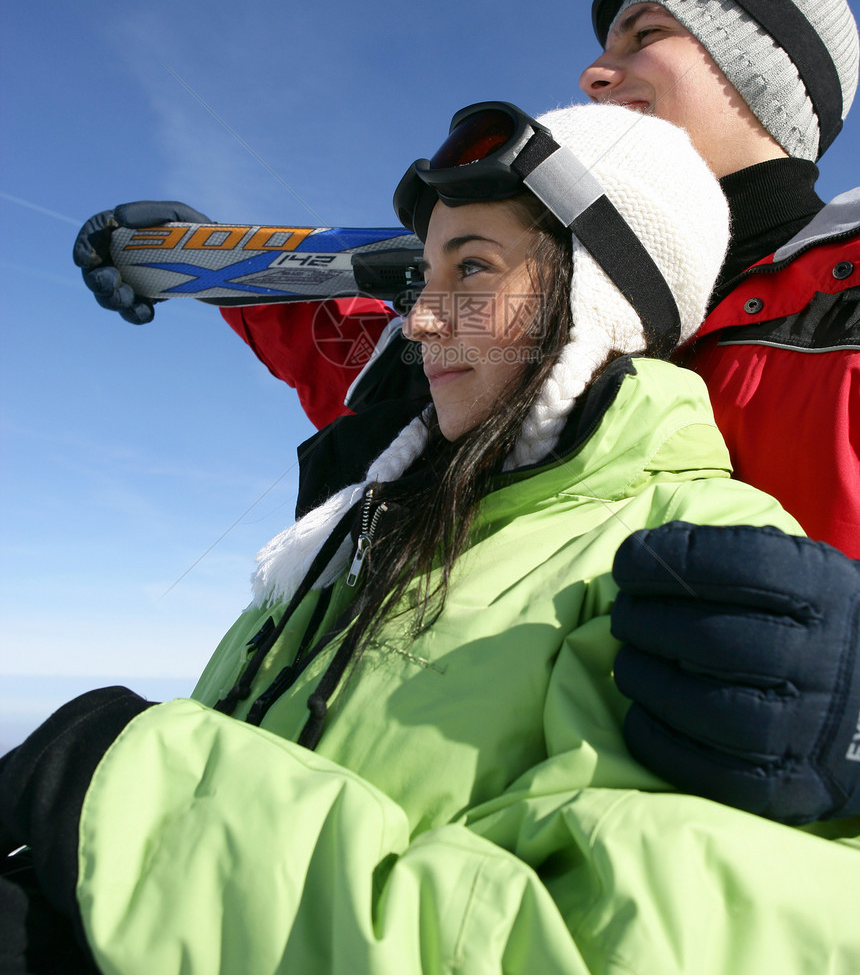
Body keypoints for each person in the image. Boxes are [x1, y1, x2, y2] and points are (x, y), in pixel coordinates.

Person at [7, 103, 859, 973]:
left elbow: (609, 943)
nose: (418, 321)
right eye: (425, 280)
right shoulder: (378, 518)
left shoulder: (703, 562)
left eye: (475, 269)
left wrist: (119, 806)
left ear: (602, 298)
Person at [71, 0, 860, 828]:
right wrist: (222, 272)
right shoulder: (533, 295)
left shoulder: (841, 296)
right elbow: (415, 363)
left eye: (646, 35)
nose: (594, 72)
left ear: (770, 74)